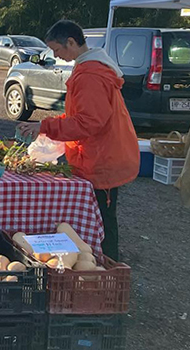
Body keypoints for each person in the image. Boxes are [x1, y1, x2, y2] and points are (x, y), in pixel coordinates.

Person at [18, 20, 138, 260]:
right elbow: (80, 116)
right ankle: (102, 266)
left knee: (103, 220)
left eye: (58, 50)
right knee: (101, 217)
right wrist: (46, 126)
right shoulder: (90, 68)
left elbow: (88, 122)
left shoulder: (90, 75)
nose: (55, 55)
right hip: (100, 155)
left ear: (71, 42)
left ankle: (107, 269)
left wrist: (45, 125)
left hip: (102, 159)